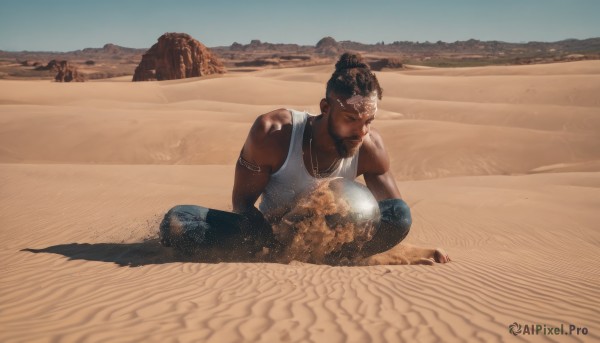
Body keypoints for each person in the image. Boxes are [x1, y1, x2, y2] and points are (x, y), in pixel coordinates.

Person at [230, 52, 450, 265]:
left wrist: (403, 251)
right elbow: (242, 204)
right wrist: (267, 239)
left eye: (368, 121)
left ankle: (337, 257)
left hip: (337, 239)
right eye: (351, 118)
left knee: (400, 214)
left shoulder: (370, 146)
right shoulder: (273, 133)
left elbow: (391, 217)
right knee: (195, 223)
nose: (361, 131)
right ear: (325, 108)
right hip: (270, 236)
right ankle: (294, 255)